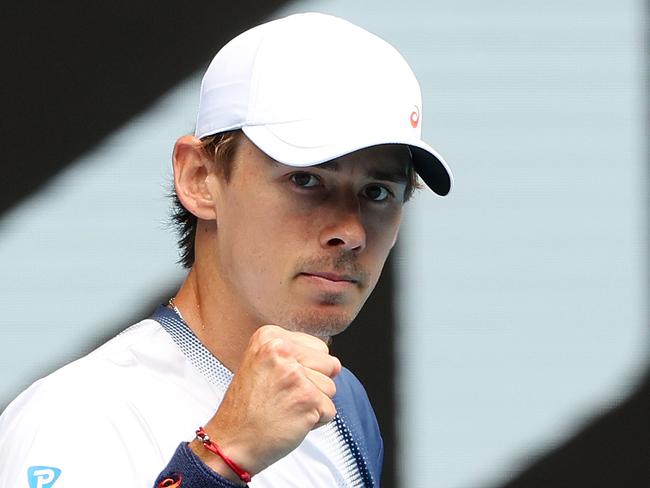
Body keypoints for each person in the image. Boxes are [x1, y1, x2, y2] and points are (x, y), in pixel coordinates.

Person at [0, 12, 452, 488]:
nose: (351, 231)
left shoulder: (342, 405)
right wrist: (221, 460)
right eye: (306, 179)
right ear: (199, 178)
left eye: (379, 192)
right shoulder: (72, 417)